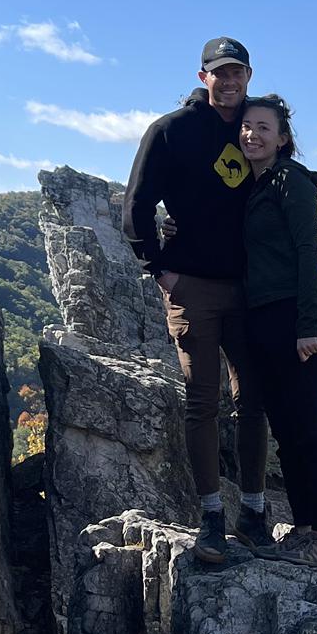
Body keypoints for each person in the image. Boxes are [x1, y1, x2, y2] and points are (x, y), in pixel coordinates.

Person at [122, 37, 270, 562]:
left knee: (255, 397)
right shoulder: (170, 132)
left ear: (248, 76)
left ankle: (253, 512)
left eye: (238, 73)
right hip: (194, 289)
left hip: (251, 288)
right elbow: (137, 206)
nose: (229, 82)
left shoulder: (256, 128)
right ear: (203, 76)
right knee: (202, 400)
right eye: (220, 73)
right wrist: (161, 272)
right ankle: (211, 518)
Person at [236, 94, 317, 568]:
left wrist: (306, 327)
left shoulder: (290, 181)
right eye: (246, 127)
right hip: (268, 319)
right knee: (286, 428)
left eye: (263, 128)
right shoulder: (254, 187)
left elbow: (307, 252)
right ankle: (302, 528)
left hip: (304, 317)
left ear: (282, 139)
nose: (252, 134)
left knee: (309, 427)